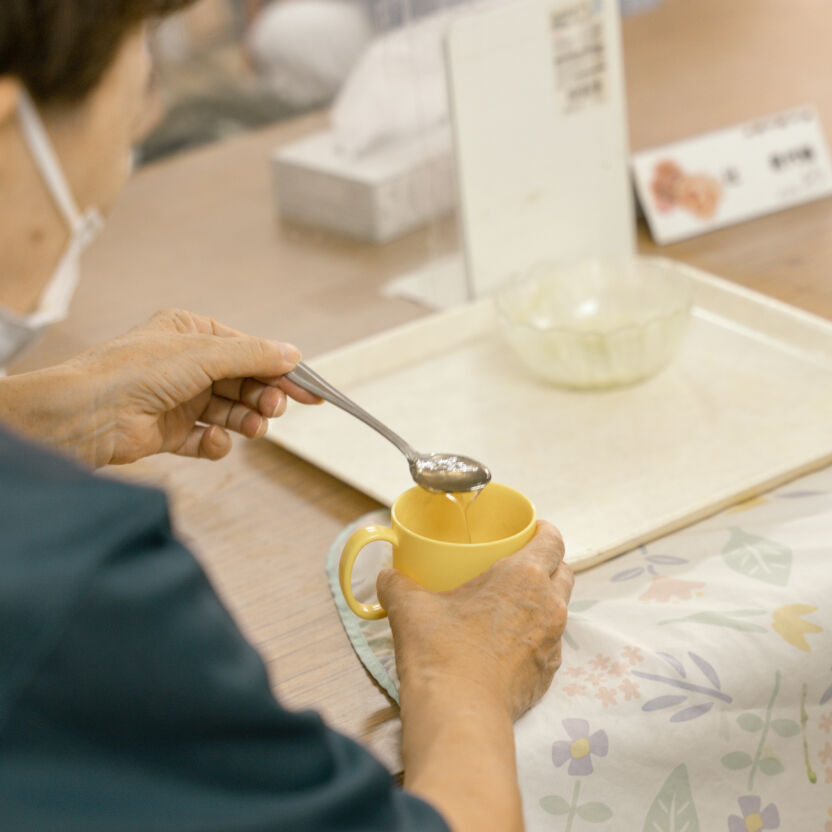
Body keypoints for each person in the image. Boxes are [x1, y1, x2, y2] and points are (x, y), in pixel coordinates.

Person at [0, 2, 574, 830]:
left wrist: (45, 414)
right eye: (136, 77)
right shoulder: (84, 585)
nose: (151, 114)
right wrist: (466, 679)